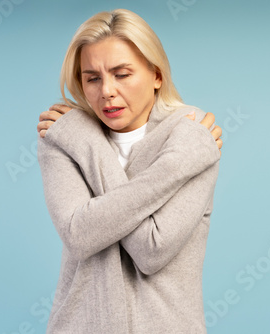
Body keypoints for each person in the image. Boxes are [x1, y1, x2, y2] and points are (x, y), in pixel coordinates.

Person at [36, 9, 222, 334]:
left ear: (156, 75)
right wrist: (89, 143)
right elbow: (80, 234)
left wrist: (183, 157)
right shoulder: (66, 137)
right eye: (92, 77)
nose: (106, 90)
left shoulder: (192, 136)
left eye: (122, 74)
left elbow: (152, 250)